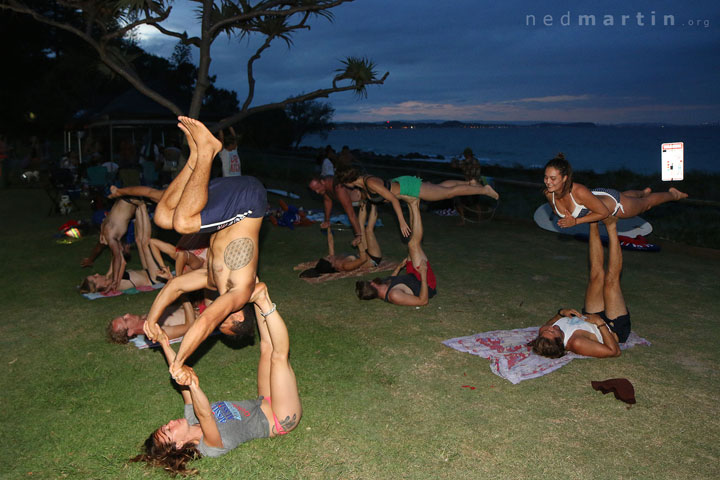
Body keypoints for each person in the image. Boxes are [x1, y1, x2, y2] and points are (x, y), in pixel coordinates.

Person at [132, 282, 301, 475]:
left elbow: (179, 378)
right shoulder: (208, 447)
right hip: (279, 417)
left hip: (264, 401)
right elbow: (206, 415)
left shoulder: (190, 417)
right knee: (279, 357)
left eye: (166, 426)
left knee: (266, 349)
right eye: (169, 430)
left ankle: (258, 293)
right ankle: (264, 301)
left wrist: (164, 342)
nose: (170, 422)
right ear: (179, 445)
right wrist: (194, 386)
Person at [145, 116, 266, 379]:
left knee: (163, 218)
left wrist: (151, 320)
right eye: (225, 325)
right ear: (237, 318)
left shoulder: (212, 280)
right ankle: (209, 151)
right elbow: (206, 321)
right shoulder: (239, 293)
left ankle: (197, 155)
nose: (217, 321)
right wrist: (179, 362)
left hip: (236, 200)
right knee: (184, 223)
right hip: (249, 201)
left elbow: (175, 286)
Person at [530, 218, 629, 359]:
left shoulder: (544, 331)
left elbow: (550, 324)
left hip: (591, 316)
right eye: (552, 332)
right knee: (611, 282)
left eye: (546, 330)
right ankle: (612, 226)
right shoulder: (576, 343)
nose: (550, 328)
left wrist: (561, 313)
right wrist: (600, 323)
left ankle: (593, 222)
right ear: (560, 342)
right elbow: (614, 352)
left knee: (596, 276)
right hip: (613, 328)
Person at [336, 168, 499, 238]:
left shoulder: (369, 183)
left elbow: (393, 198)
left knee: (448, 193)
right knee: (441, 187)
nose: (345, 188)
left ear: (347, 181)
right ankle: (469, 183)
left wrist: (401, 222)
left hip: (409, 188)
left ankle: (484, 190)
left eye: (344, 184)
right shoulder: (364, 182)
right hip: (403, 183)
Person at [543, 153, 688, 228]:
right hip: (599, 196)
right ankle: (642, 192)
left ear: (564, 178)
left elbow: (604, 213)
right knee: (629, 196)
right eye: (546, 177)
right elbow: (560, 212)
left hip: (615, 205)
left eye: (553, 178)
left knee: (646, 204)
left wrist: (576, 221)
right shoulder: (549, 194)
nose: (548, 182)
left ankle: (674, 194)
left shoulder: (578, 191)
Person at [355, 197, 437, 306]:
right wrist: (423, 273)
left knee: (411, 240)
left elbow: (392, 279)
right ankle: (414, 205)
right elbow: (423, 301)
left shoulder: (382, 287)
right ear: (373, 286)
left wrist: (399, 267)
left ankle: (412, 204)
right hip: (424, 282)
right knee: (413, 244)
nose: (372, 280)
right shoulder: (394, 295)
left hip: (412, 275)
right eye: (370, 282)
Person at [107, 297, 256, 344]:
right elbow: (190, 326)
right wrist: (186, 299)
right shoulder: (157, 332)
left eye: (123, 315)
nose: (127, 314)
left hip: (200, 308)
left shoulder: (148, 317)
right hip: (208, 316)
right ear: (131, 331)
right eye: (125, 319)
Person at [300, 201, 382, 276]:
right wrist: (359, 243)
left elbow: (330, 242)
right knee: (368, 230)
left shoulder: (334, 260)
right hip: (372, 259)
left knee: (359, 226)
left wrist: (328, 227)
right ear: (332, 265)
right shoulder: (345, 266)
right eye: (328, 258)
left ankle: (364, 200)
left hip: (365, 251)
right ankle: (374, 202)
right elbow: (363, 259)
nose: (329, 256)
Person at [308, 176, 364, 246]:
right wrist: (326, 220)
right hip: (353, 199)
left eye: (318, 188)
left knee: (364, 229)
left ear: (322, 182)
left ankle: (362, 240)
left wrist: (358, 235)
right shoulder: (325, 186)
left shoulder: (338, 188)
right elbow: (327, 201)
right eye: (315, 190)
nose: (317, 192)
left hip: (363, 198)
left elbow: (351, 214)